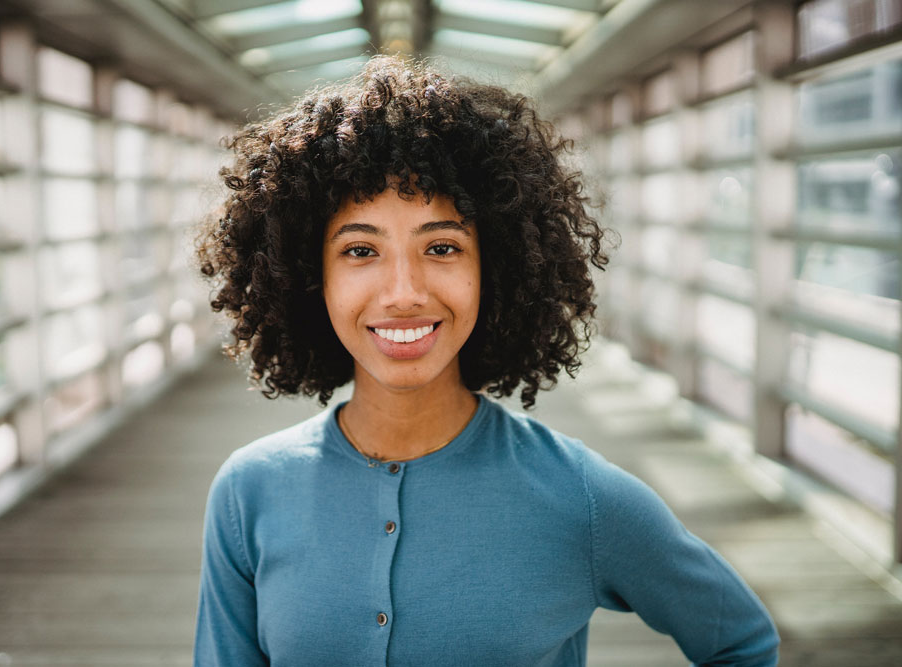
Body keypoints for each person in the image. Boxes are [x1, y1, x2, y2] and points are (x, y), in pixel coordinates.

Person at [192, 55, 779, 666]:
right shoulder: (249, 492)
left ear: (493, 268)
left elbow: (741, 642)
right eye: (360, 250)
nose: (403, 292)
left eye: (442, 247)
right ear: (308, 276)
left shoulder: (580, 496)